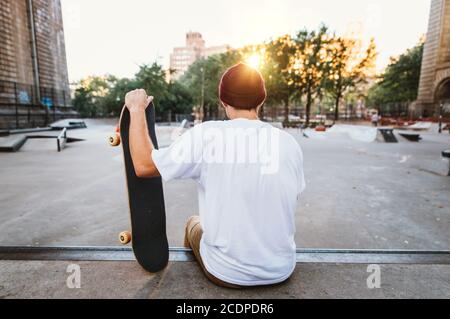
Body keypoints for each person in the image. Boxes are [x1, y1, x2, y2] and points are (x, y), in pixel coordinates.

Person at [124, 63, 305, 288]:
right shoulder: (288, 143)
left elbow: (143, 166)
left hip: (227, 272)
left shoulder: (207, 134)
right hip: (281, 268)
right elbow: (288, 198)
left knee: (193, 222)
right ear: (261, 100)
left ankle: (191, 281)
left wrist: (136, 110)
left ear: (223, 101)